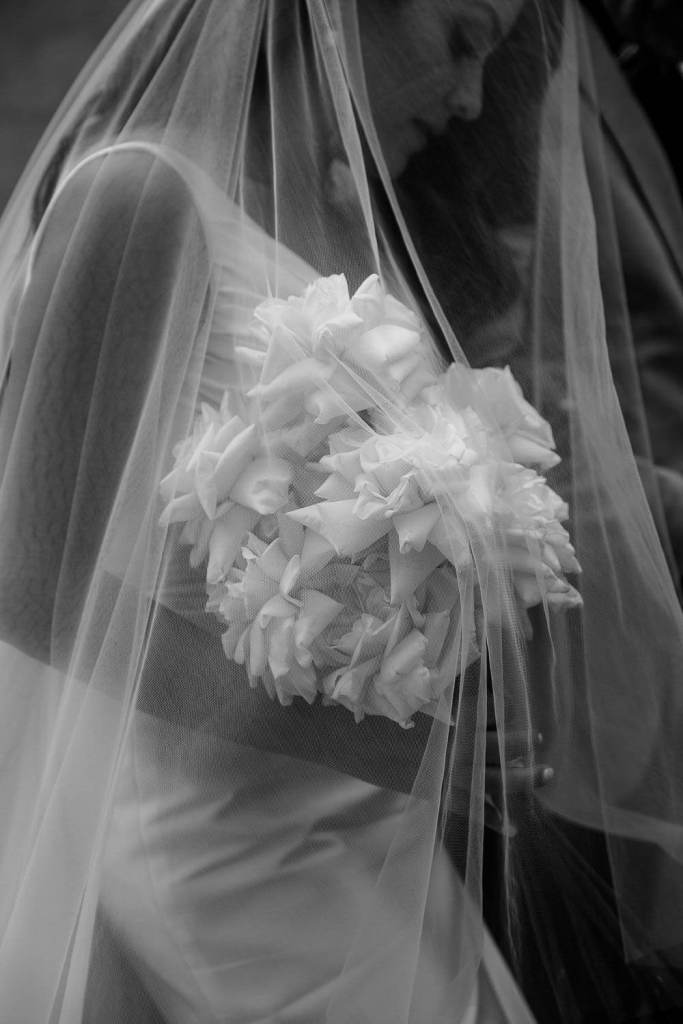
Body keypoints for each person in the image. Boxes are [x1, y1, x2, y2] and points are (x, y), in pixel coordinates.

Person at [0, 2, 682, 1021]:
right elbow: (26, 577)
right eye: (460, 40)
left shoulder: (331, 217)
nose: (466, 100)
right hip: (231, 839)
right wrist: (391, 742)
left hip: (373, 829)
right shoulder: (135, 196)